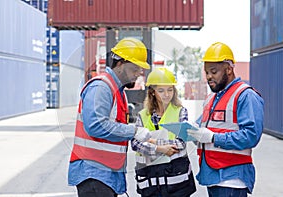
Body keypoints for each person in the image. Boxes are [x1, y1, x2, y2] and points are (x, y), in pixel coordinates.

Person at [68, 37, 153, 197]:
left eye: (140, 70)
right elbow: (95, 125)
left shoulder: (118, 90)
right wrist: (133, 131)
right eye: (135, 69)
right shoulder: (101, 87)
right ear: (120, 64)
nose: (138, 74)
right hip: (94, 173)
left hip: (105, 173)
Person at [187, 42, 264, 197]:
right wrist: (190, 131)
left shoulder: (246, 96)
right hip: (212, 176)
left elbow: (251, 136)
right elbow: (202, 129)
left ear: (229, 69)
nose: (209, 77)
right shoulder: (211, 99)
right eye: (207, 72)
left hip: (232, 179)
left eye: (214, 72)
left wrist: (214, 138)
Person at [131, 67, 197, 197]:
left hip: (177, 183)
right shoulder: (142, 115)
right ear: (153, 92)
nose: (166, 94)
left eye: (170, 90)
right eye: (161, 90)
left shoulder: (180, 112)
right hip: (151, 184)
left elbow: (180, 143)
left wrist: (152, 142)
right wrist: (160, 148)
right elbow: (135, 144)